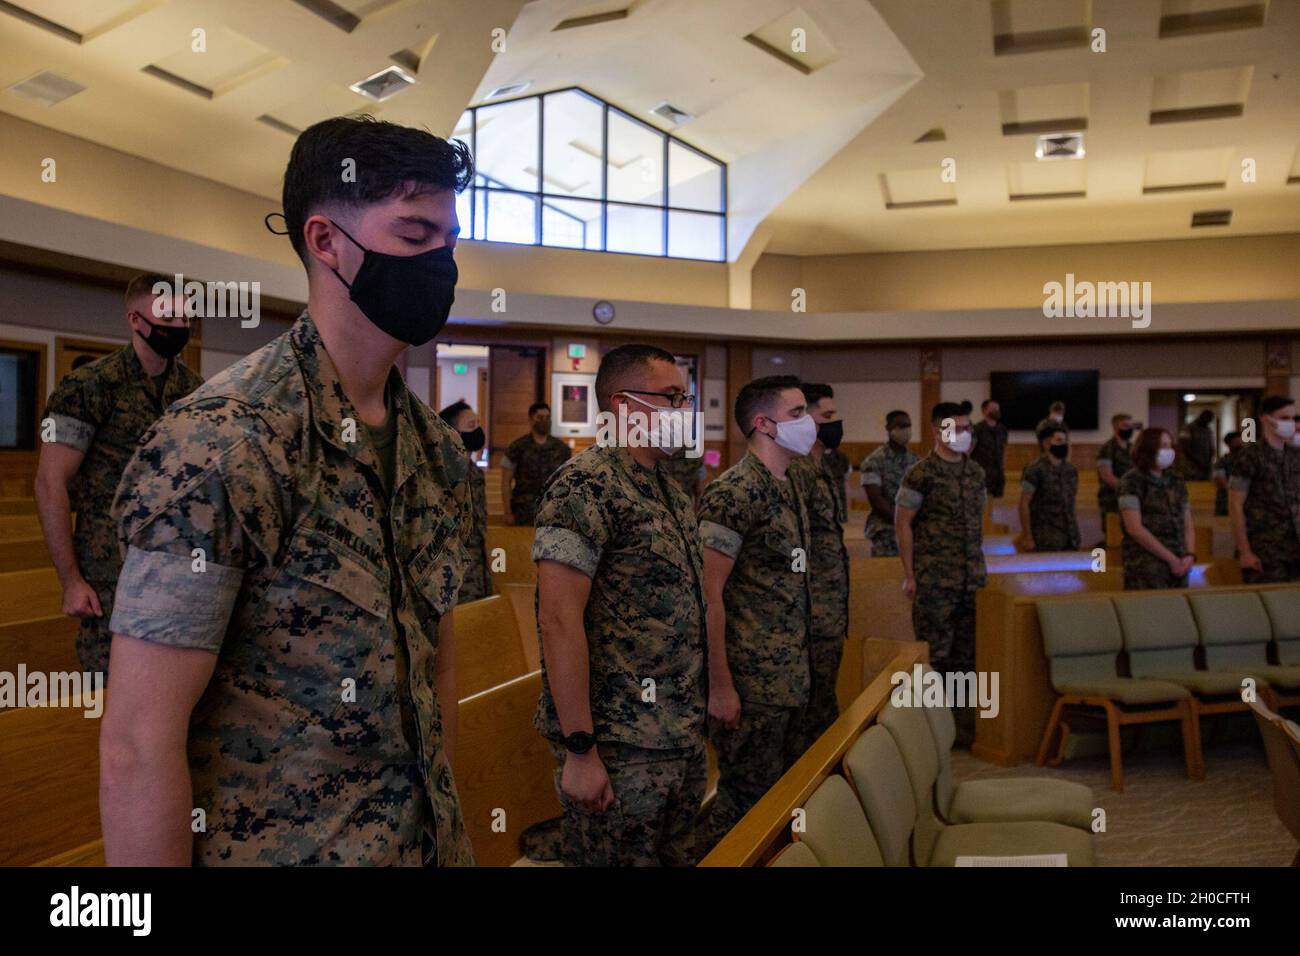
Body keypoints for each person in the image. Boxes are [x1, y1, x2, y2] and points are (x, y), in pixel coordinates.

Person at [99, 115, 476, 866]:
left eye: (449, 239)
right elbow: (140, 743)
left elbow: (441, 684)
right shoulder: (224, 442)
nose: (441, 261)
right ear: (326, 242)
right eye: (413, 235)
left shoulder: (437, 453)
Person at [532, 344, 707, 867]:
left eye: (685, 398)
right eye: (672, 398)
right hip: (620, 743)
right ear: (625, 405)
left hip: (677, 732)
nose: (685, 411)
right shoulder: (585, 485)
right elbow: (558, 620)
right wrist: (580, 749)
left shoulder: (668, 489)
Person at [34, 273, 203, 675]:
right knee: (111, 697)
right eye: (167, 316)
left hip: (176, 573)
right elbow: (49, 482)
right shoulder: (88, 386)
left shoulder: (195, 391)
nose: (178, 326)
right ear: (135, 320)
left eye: (185, 317)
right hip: (111, 574)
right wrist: (71, 580)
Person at [698, 375, 813, 846]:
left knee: (778, 802)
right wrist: (721, 686)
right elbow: (709, 593)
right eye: (798, 414)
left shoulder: (788, 483)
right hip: (751, 682)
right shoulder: (735, 492)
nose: (809, 424)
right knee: (746, 804)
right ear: (764, 424)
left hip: (787, 676)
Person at [895, 402, 986, 748]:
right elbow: (902, 523)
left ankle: (964, 731)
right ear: (936, 431)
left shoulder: (975, 472)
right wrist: (909, 573)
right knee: (937, 657)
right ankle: (933, 735)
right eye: (955, 427)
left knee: (969, 658)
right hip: (935, 580)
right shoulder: (921, 474)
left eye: (967, 428)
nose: (963, 434)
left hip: (972, 579)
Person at [788, 383, 849, 747]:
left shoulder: (823, 469)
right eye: (828, 416)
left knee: (823, 711)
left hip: (828, 615)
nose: (836, 423)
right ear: (805, 419)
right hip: (807, 620)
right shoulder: (796, 475)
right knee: (810, 721)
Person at [1229, 396, 1300, 583]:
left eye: (1294, 418)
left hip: (1295, 546)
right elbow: (1235, 505)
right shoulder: (1250, 456)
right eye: (1284, 418)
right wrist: (1245, 551)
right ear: (1266, 419)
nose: (1291, 423)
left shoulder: (1295, 455)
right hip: (1265, 548)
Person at [1118, 428, 1195, 590]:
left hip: (1179, 559)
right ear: (1149, 449)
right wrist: (1171, 559)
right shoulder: (1132, 481)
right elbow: (1134, 528)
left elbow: (1187, 522)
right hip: (1146, 563)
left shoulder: (1176, 480)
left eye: (1169, 445)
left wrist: (1189, 554)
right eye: (1163, 446)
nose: (1168, 450)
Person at [440, 401, 491, 603]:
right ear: (453, 432)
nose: (477, 430)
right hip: (454, 570)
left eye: (478, 424)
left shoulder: (475, 471)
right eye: (471, 425)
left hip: (478, 564)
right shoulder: (444, 472)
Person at [860, 410, 918, 557]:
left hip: (913, 528)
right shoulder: (874, 460)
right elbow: (876, 500)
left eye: (908, 426)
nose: (906, 430)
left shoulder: (916, 461)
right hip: (885, 529)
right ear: (889, 428)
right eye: (901, 426)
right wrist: (901, 521)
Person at [502, 401, 571, 525]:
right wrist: (507, 513)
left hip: (553, 511)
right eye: (540, 418)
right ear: (531, 420)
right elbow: (506, 482)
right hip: (524, 511)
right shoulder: (517, 447)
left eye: (547, 418)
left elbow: (568, 481)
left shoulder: (561, 448)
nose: (544, 421)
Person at [1018, 423, 1080, 552]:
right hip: (1046, 536)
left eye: (1065, 441)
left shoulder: (1071, 470)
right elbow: (1024, 503)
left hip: (1070, 536)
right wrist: (1028, 536)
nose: (1064, 444)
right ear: (1046, 444)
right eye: (1059, 440)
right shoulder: (1034, 470)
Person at [1096, 413, 1136, 528]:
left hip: (1131, 498)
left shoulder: (1132, 448)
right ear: (1115, 427)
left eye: (1130, 426)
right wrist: (1127, 488)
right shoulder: (1106, 449)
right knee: (1113, 533)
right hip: (1112, 499)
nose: (1129, 429)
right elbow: (1107, 476)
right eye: (1125, 426)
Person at [970, 399, 1008, 499]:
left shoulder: (1002, 429)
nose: (997, 410)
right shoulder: (977, 429)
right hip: (981, 473)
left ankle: (990, 515)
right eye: (993, 408)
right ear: (984, 411)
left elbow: (1004, 449)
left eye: (998, 408)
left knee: (993, 501)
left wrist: (1003, 467)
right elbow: (969, 449)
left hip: (997, 473)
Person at [1212, 430, 1244, 517]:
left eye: (1240, 441)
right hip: (1226, 502)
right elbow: (1221, 481)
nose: (1239, 444)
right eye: (1236, 442)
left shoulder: (1246, 461)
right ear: (1229, 444)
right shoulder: (1222, 462)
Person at [1179, 409, 1216, 481]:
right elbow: (1184, 447)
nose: (1207, 422)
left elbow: (1211, 447)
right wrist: (1198, 462)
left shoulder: (1208, 430)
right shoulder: (1187, 428)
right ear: (1201, 417)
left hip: (1206, 466)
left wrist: (1209, 461)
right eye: (1206, 419)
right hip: (1191, 465)